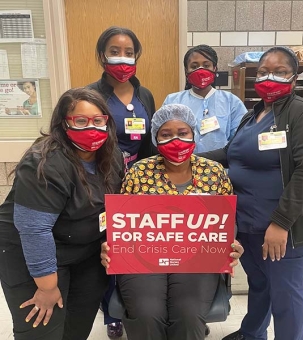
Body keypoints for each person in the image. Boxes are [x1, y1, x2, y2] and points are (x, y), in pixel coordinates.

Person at [199, 46, 303, 340]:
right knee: (260, 286)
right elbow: (230, 153)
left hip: (282, 228)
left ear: (294, 78)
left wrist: (281, 222)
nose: (269, 77)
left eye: (280, 71)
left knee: (286, 295)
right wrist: (190, 158)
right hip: (247, 224)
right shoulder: (254, 115)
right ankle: (253, 334)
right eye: (263, 72)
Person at [101, 103, 244, 340]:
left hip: (198, 258)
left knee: (188, 314)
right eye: (166, 135)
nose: (175, 140)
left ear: (193, 133)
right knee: (146, 313)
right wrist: (111, 245)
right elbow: (122, 221)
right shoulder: (139, 172)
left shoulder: (214, 172)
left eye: (183, 133)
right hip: (143, 258)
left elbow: (227, 221)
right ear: (156, 139)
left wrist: (232, 243)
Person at [0, 87, 124, 340]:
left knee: (76, 327)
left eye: (99, 120)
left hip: (85, 253)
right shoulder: (45, 162)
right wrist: (47, 288)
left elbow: (112, 208)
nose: (92, 127)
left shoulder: (112, 156)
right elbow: (35, 230)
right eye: (80, 120)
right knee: (43, 330)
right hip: (31, 253)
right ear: (63, 124)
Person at [87, 26, 156, 338]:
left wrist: (150, 178)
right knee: (108, 245)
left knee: (133, 244)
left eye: (129, 52)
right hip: (104, 178)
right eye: (115, 51)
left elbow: (151, 144)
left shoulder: (145, 95)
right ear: (102, 55)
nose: (122, 58)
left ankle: (132, 303)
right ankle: (111, 313)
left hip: (139, 180)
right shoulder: (91, 95)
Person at [163, 44, 247, 153]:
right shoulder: (173, 101)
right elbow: (164, 138)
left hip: (219, 167)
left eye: (206, 65)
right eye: (194, 66)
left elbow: (240, 141)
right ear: (186, 71)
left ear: (214, 68)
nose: (200, 70)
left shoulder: (231, 102)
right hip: (183, 167)